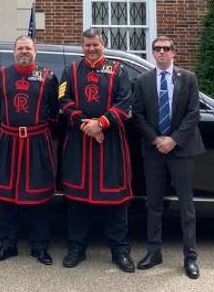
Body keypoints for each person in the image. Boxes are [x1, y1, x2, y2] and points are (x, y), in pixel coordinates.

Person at [59, 29, 135, 272]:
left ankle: (120, 252)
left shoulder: (118, 70)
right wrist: (86, 125)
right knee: (77, 201)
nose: (91, 49)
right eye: (87, 45)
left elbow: (125, 102)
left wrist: (100, 124)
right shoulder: (70, 71)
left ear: (103, 45)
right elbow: (64, 101)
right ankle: (76, 249)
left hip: (110, 143)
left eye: (95, 44)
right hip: (79, 143)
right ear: (82, 46)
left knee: (114, 200)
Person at [132, 36, 205, 279]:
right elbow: (138, 115)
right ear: (153, 53)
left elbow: (194, 113)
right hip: (153, 151)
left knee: (187, 206)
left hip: (181, 150)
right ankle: (154, 252)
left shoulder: (189, 78)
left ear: (174, 53)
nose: (162, 52)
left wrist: (173, 140)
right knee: (153, 204)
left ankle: (190, 257)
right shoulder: (142, 81)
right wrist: (156, 140)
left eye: (166, 49)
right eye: (157, 49)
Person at [0, 36, 59, 265]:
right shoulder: (1, 75)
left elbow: (54, 113)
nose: (24, 51)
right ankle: (8, 245)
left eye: (28, 48)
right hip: (9, 141)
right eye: (20, 48)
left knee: (39, 197)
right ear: (14, 51)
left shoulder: (48, 77)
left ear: (35, 52)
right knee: (7, 197)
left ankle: (40, 247)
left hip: (37, 142)